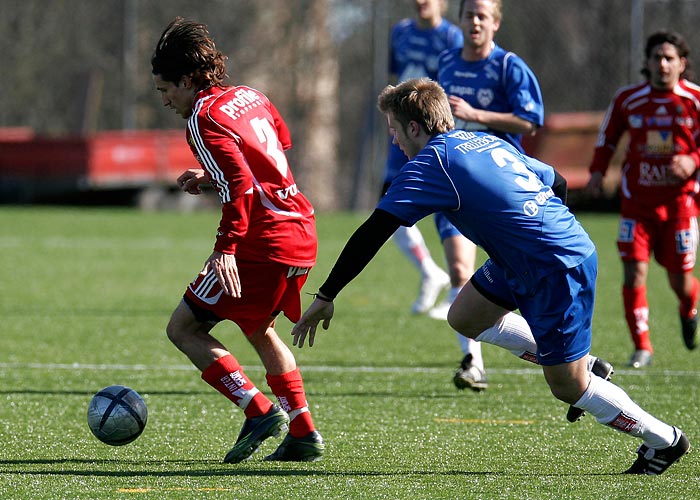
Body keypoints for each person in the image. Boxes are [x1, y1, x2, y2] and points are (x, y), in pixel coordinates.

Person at [292, 78, 690, 474]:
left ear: (415, 128)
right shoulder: (485, 141)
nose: (394, 141)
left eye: (394, 130)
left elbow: (373, 231)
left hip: (555, 265)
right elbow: (558, 181)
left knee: (567, 386)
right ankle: (582, 359)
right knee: (465, 316)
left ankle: (664, 440)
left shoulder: (434, 162)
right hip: (529, 256)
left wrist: (326, 294)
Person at [151, 18, 324, 463]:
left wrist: (226, 245)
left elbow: (243, 185)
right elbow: (276, 147)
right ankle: (303, 433)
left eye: (165, 89)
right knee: (257, 327)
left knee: (183, 328)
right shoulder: (250, 96)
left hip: (261, 242)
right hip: (300, 230)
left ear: (188, 80)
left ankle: (259, 411)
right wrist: (212, 175)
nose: (165, 99)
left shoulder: (201, 118)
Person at [432, 0, 545, 391]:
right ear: (459, 20)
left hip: (501, 190)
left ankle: (565, 357)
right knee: (460, 271)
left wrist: (479, 116)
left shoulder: (508, 67)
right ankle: (472, 362)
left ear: (495, 23)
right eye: (469, 14)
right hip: (454, 185)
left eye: (483, 16)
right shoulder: (446, 62)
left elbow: (530, 121)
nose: (475, 22)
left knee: (521, 279)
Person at [586, 30, 700, 368]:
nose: (662, 64)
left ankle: (689, 306)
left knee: (680, 280)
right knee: (634, 272)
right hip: (636, 203)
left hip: (681, 206)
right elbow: (608, 137)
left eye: (669, 58)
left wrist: (693, 159)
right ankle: (642, 346)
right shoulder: (628, 99)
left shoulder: (695, 100)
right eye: (656, 58)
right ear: (647, 63)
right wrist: (597, 171)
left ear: (682, 64)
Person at [382, 0, 463, 316]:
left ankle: (459, 286)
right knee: (388, 206)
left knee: (449, 208)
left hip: (434, 135)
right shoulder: (400, 32)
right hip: (404, 133)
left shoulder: (453, 38)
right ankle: (430, 271)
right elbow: (394, 79)